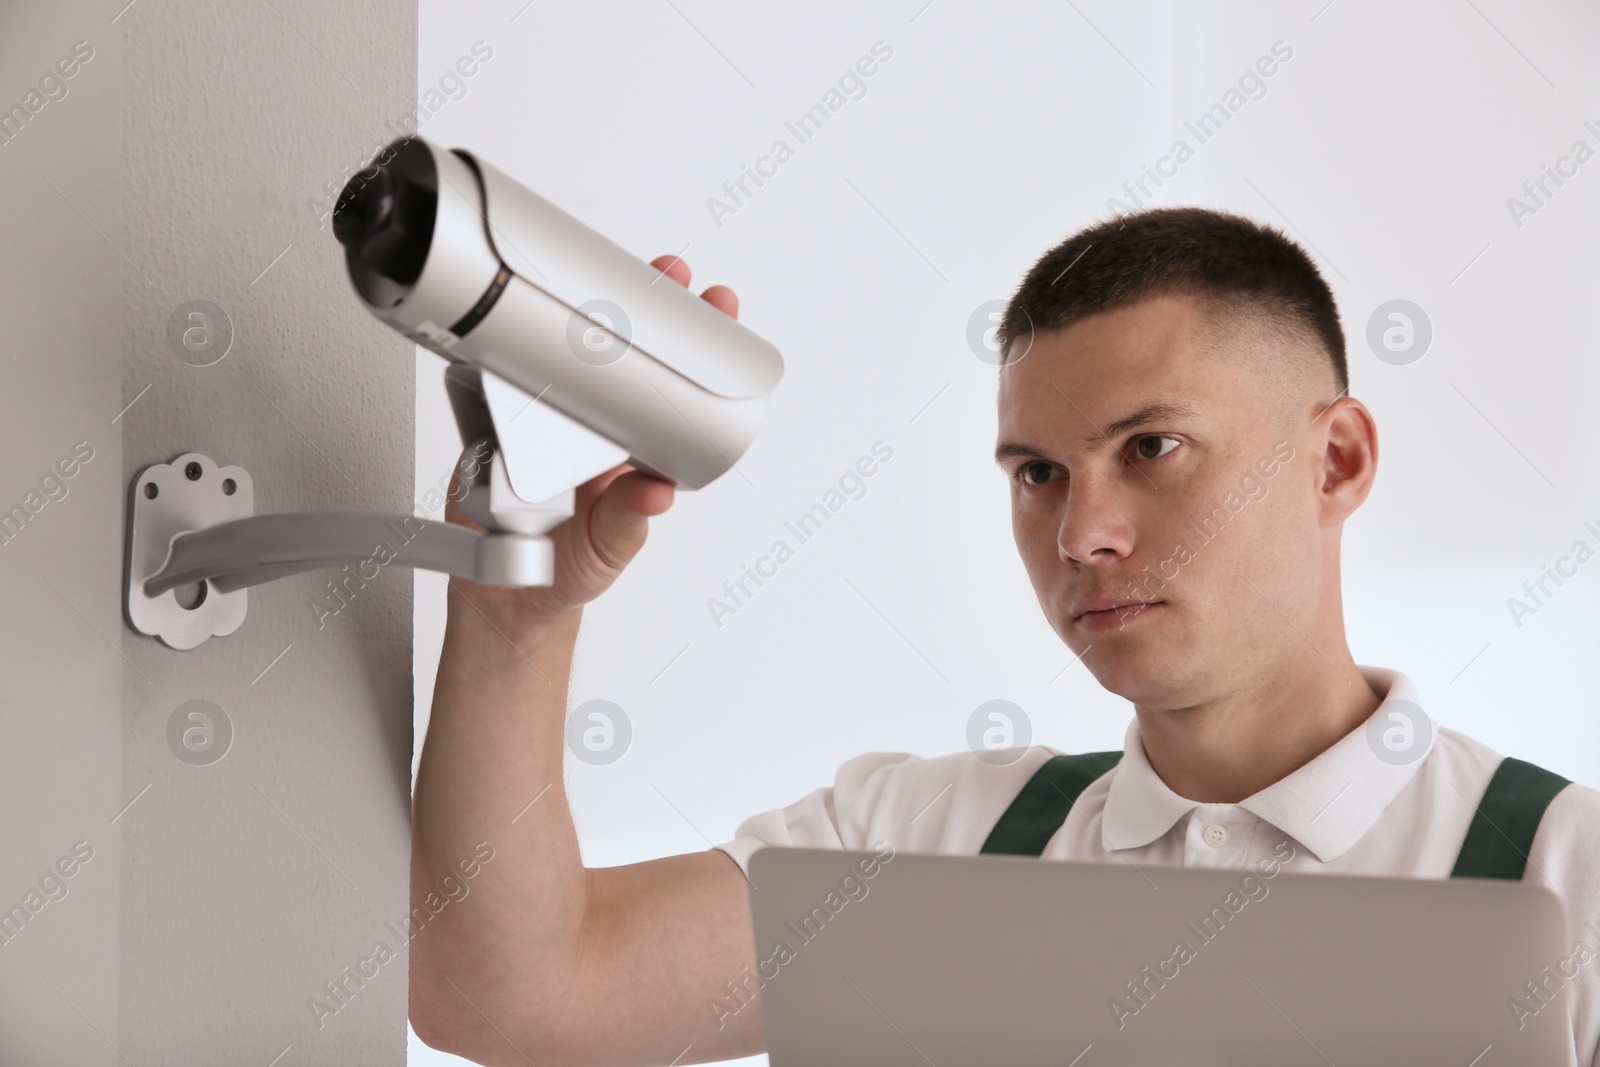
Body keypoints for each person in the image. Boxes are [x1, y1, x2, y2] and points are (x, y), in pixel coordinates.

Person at [408, 207, 1600, 1066]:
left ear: (1334, 460)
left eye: (1151, 448)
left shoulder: (1569, 878)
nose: (1082, 532)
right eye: (1037, 472)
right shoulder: (918, 844)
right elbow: (513, 1000)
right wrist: (519, 609)